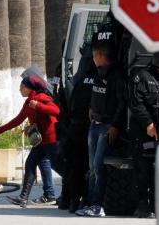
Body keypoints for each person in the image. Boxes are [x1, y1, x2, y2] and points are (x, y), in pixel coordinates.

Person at [76, 29, 127, 217]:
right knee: (92, 168)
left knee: (98, 166)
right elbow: (96, 93)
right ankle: (89, 203)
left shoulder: (116, 75)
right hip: (95, 125)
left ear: (99, 55)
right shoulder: (98, 72)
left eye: (94, 55)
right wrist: (91, 107)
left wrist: (114, 125)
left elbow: (122, 102)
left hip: (106, 127)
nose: (93, 58)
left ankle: (98, 205)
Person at [0, 75, 62, 208]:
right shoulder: (28, 103)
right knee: (30, 163)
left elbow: (56, 111)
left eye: (22, 87)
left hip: (51, 140)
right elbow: (17, 120)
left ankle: (78, 190)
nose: (20, 89)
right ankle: (23, 197)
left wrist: (39, 106)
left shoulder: (41, 98)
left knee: (60, 167)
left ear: (29, 88)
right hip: (40, 142)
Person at [129, 51, 159, 218]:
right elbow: (136, 103)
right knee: (143, 169)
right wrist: (148, 123)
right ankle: (143, 205)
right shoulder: (141, 77)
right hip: (143, 132)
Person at [63, 44, 97, 213]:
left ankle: (71, 200)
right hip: (87, 128)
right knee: (89, 166)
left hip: (74, 127)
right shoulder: (98, 78)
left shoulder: (79, 78)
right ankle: (84, 200)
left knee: (75, 166)